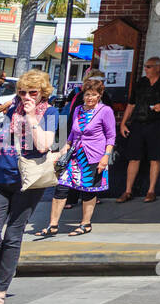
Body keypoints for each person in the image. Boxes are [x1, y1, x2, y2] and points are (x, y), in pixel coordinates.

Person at [0, 70, 59, 304]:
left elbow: (44, 145)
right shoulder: (11, 110)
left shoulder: (49, 112)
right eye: (22, 92)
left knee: (12, 236)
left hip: (28, 182)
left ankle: (1, 290)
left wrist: (30, 117)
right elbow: (0, 145)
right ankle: (7, 270)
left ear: (42, 93)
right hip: (2, 179)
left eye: (32, 92)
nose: (26, 96)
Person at [35, 76, 115, 238]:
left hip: (94, 155)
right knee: (61, 187)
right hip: (75, 155)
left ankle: (85, 223)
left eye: (93, 94)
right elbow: (72, 133)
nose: (89, 98)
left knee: (88, 191)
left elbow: (111, 136)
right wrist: (65, 148)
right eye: (87, 94)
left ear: (99, 95)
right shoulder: (78, 109)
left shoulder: (105, 111)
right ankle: (53, 225)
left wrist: (106, 156)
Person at [117, 56, 160, 203]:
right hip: (138, 123)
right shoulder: (141, 83)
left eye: (149, 66)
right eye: (145, 66)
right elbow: (131, 104)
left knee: (156, 157)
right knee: (133, 157)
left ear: (158, 67)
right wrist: (123, 123)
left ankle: (151, 190)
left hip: (157, 124)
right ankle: (127, 191)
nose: (146, 69)